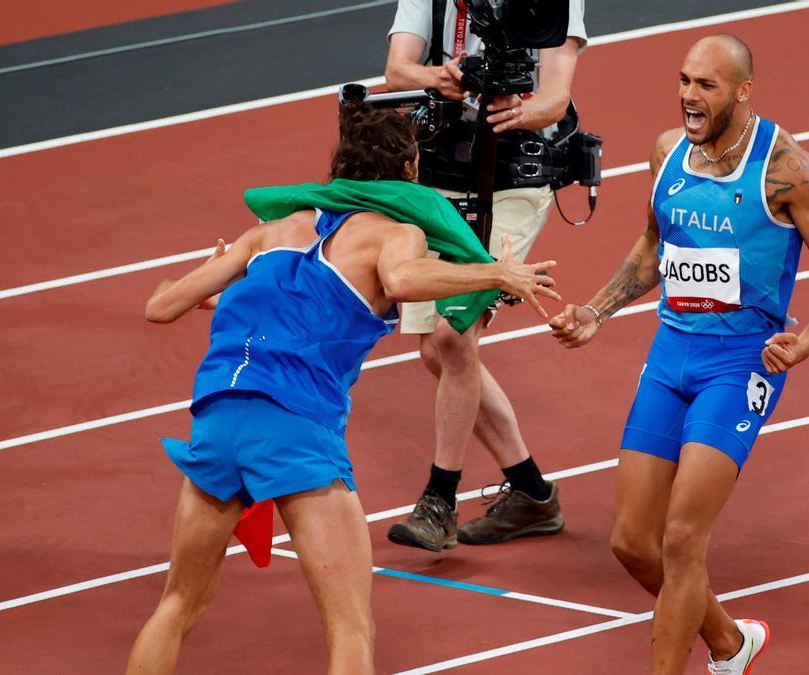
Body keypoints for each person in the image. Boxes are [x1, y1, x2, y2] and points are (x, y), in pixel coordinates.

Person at [125, 106, 559, 674]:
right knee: (351, 630)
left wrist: (219, 274)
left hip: (217, 421)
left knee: (179, 603)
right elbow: (403, 280)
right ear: (409, 168)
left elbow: (161, 306)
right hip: (296, 430)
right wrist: (497, 275)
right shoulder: (395, 234)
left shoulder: (268, 234)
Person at [549, 35, 809, 675]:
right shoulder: (668, 153)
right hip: (671, 354)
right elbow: (652, 248)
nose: (690, 97)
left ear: (743, 92)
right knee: (633, 544)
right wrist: (595, 311)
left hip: (741, 362)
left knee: (683, 537)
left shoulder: (790, 171)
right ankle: (729, 642)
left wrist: (804, 343)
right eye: (685, 81)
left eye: (707, 86)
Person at [382, 0, 588, 551]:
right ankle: (531, 493)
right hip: (441, 174)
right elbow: (397, 71)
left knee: (454, 336)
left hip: (518, 176)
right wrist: (440, 77)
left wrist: (520, 111)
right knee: (438, 353)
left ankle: (438, 501)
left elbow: (556, 96)